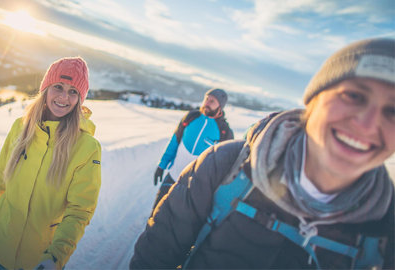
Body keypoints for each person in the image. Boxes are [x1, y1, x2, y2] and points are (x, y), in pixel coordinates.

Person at [131, 38, 395, 269]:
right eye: (353, 96)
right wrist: (163, 164)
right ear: (313, 101)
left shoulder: (387, 230)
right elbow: (155, 256)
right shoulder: (224, 166)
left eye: (393, 111)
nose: (368, 123)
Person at [0, 57, 102, 270]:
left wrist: (56, 256)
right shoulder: (21, 127)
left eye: (73, 92)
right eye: (58, 87)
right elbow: (1, 179)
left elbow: (79, 211)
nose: (64, 97)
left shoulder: (87, 148)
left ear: (81, 99)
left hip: (35, 260)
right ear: (46, 88)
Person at [152, 88, 233, 210]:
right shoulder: (191, 117)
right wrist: (162, 165)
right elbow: (175, 141)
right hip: (173, 175)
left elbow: (221, 165)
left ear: (220, 107)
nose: (207, 103)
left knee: (175, 219)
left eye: (212, 101)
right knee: (156, 210)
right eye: (206, 99)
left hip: (193, 187)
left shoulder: (224, 132)